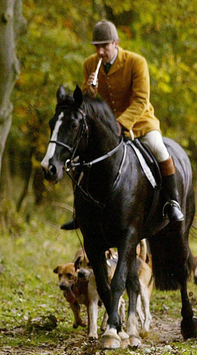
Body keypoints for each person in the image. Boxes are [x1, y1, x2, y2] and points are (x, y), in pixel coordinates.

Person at [60, 20, 184, 230]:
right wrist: (89, 91)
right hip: (107, 128)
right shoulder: (89, 64)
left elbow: (141, 101)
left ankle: (172, 202)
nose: (100, 52)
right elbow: (86, 102)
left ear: (115, 44)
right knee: (81, 158)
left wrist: (122, 123)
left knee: (159, 149)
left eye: (104, 46)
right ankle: (79, 213)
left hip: (141, 121)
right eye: (96, 47)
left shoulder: (136, 62)